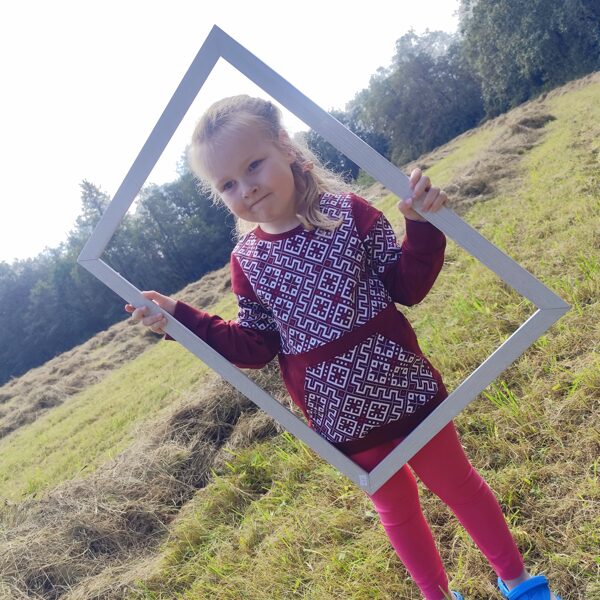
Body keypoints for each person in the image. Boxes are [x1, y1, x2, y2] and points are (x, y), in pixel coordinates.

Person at [126, 95, 561, 600]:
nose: (246, 188)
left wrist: (423, 224)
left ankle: (519, 583)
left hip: (407, 393)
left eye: (253, 165)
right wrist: (179, 317)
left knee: (458, 485)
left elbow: (407, 285)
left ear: (286, 147)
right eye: (227, 184)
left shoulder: (349, 214)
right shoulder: (248, 261)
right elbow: (254, 346)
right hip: (342, 421)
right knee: (396, 511)